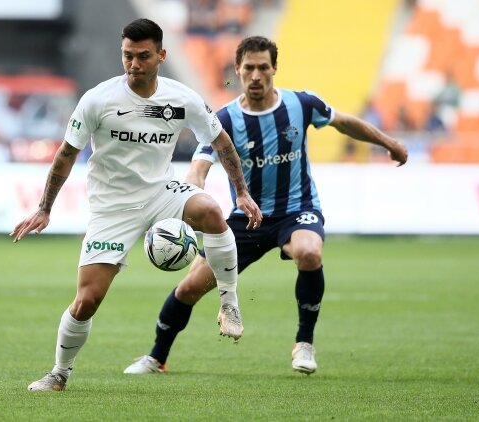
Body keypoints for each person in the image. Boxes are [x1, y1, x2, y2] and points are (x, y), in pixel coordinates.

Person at [123, 35, 408, 376]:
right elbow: (200, 167)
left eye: (263, 67)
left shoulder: (301, 105)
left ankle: (304, 342)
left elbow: (343, 121)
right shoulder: (224, 120)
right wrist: (190, 196)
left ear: (274, 68)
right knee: (189, 287)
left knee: (309, 252)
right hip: (247, 220)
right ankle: (157, 357)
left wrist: (388, 143)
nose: (256, 75)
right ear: (237, 70)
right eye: (249, 68)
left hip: (296, 209)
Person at [10, 18, 262, 392]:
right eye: (127, 56)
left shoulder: (182, 98)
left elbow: (222, 142)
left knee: (211, 212)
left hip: (161, 192)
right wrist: (45, 207)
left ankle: (229, 302)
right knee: (87, 300)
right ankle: (59, 373)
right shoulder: (98, 99)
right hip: (113, 207)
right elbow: (65, 155)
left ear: (161, 55)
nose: (134, 64)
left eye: (143, 56)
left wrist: (240, 192)